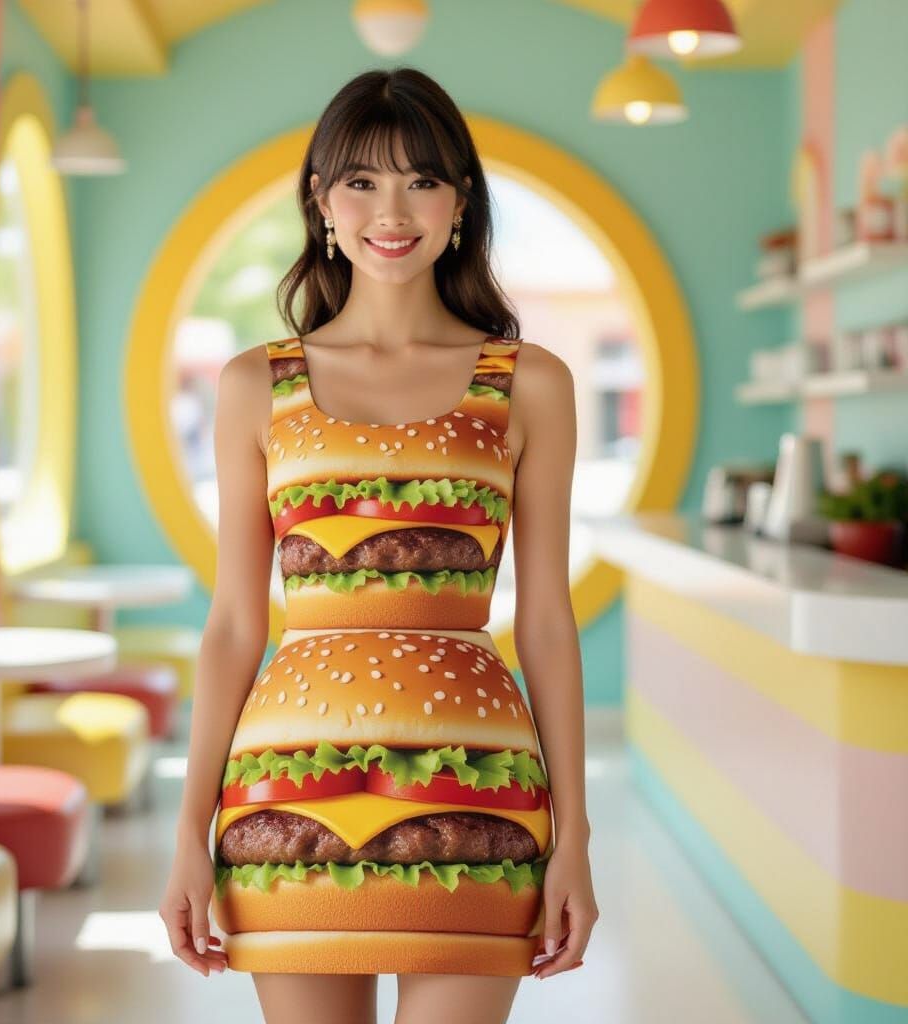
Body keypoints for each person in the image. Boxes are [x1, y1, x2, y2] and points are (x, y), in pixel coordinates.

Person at [159, 66, 598, 1024]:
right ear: (321, 200)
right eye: (361, 180)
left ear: (460, 202)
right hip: (286, 791)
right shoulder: (254, 385)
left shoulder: (530, 383)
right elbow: (235, 625)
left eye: (421, 180)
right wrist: (190, 832)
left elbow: (550, 626)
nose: (390, 209)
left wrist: (575, 840)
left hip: (479, 797)